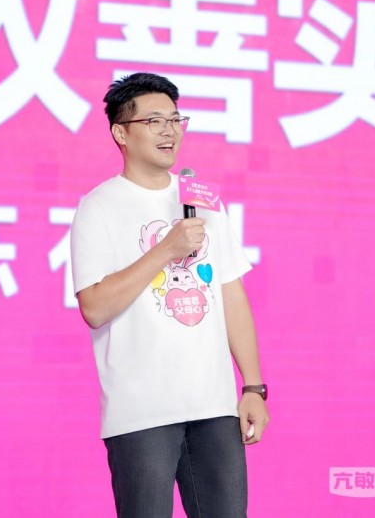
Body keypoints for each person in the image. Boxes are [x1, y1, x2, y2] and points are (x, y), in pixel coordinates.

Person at [70, 72, 269, 517]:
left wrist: (253, 386)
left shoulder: (203, 200)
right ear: (121, 133)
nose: (170, 131)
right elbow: (95, 308)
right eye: (154, 121)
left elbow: (231, 294)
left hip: (214, 406)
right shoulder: (99, 207)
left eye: (176, 120)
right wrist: (166, 250)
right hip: (141, 412)